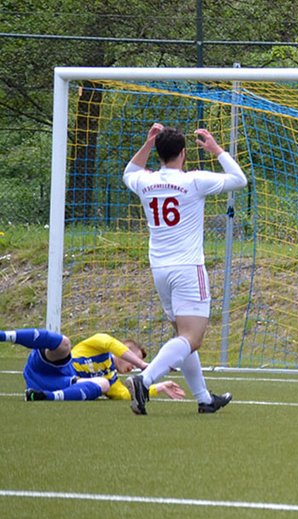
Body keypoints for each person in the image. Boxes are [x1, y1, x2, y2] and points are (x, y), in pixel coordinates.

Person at [122, 123, 247, 415]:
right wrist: (216, 149)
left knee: (183, 335)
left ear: (159, 153)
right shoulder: (194, 180)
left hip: (160, 269)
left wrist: (147, 143)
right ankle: (145, 379)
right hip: (188, 268)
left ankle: (204, 399)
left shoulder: (145, 181)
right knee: (192, 337)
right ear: (183, 153)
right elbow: (239, 179)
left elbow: (128, 172)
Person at [1, 328, 184, 402]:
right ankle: (4, 335)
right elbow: (108, 341)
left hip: (60, 385)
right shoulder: (98, 346)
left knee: (103, 385)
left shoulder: (112, 378)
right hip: (47, 366)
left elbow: (126, 395)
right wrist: (144, 364)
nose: (133, 367)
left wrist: (159, 386)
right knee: (64, 343)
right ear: (124, 349)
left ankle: (44, 397)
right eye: (132, 360)